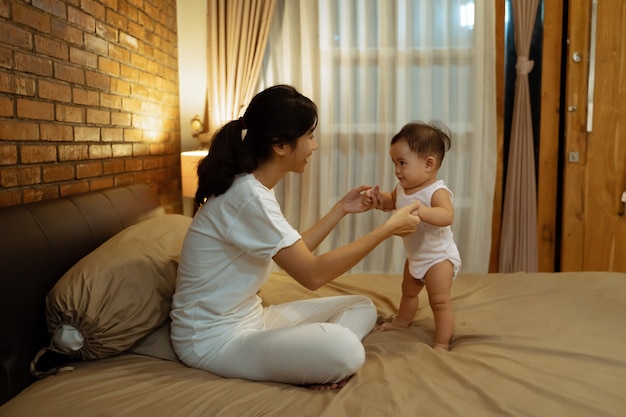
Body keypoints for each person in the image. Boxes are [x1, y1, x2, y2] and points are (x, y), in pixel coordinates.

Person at [170, 85, 422, 390]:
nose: (314, 147)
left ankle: (310, 357)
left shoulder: (253, 188)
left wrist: (340, 209)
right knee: (345, 349)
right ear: (280, 145)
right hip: (213, 339)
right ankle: (318, 357)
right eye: (310, 136)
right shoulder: (247, 196)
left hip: (251, 318)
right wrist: (387, 229)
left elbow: (294, 251)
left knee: (362, 306)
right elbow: (312, 275)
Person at [362, 121, 461, 351]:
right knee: (408, 292)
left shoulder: (437, 191)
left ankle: (442, 342)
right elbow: (392, 202)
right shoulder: (402, 189)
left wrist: (421, 210)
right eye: (394, 163)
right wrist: (377, 201)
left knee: (439, 301)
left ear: (428, 164)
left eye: (402, 163)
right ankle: (402, 321)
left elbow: (447, 216)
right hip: (415, 256)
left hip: (438, 258)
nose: (397, 170)